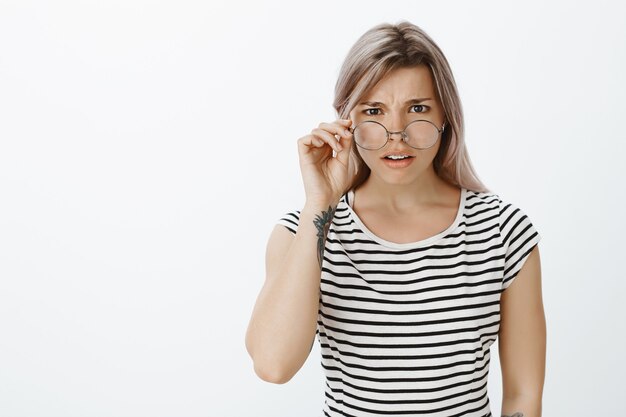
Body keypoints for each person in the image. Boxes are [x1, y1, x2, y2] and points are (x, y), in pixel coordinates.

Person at [245, 20, 545, 417]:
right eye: (374, 111)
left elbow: (523, 396)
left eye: (417, 108)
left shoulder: (503, 231)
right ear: (346, 121)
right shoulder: (301, 233)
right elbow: (272, 364)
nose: (397, 134)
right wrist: (320, 204)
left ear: (445, 117)